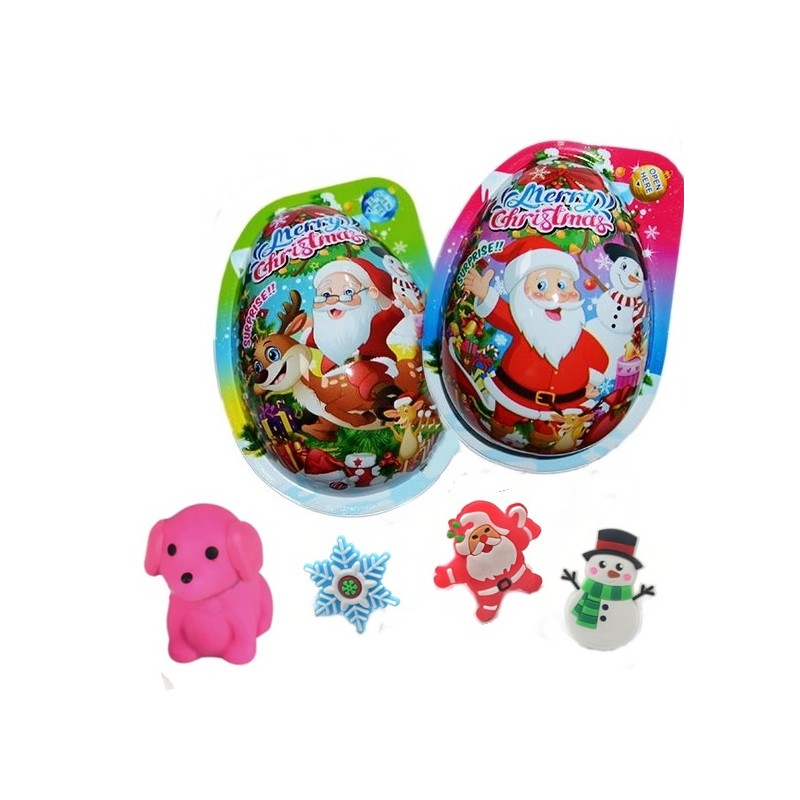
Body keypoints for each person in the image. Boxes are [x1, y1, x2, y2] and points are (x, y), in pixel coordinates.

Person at [463, 236, 608, 438]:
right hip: (515, 397)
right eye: (541, 286)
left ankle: (543, 438)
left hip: (562, 406)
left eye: (562, 285)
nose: (553, 296)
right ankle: (501, 429)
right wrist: (485, 293)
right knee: (503, 422)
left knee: (549, 435)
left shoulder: (576, 333)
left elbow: (599, 357)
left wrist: (591, 381)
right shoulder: (523, 322)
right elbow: (499, 312)